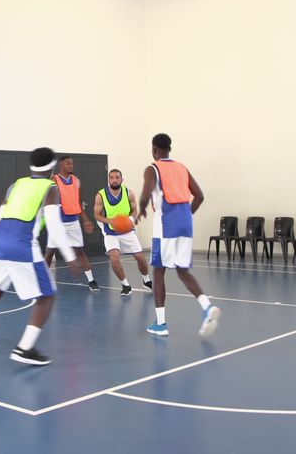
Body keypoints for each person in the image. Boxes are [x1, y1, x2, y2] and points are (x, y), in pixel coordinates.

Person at [0, 147, 77, 366]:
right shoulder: (50, 187)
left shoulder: (16, 184)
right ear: (51, 168)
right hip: (21, 246)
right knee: (46, 296)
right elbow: (55, 227)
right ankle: (25, 348)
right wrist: (70, 256)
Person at [136, 133, 220, 337]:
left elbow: (146, 194)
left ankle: (161, 324)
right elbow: (199, 196)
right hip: (185, 224)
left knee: (158, 271)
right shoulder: (182, 167)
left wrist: (141, 208)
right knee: (182, 271)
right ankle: (206, 306)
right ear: (169, 149)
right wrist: (186, 216)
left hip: (165, 225)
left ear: (154, 149)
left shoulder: (152, 168)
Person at [93, 169, 152, 297]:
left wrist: (131, 219)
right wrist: (110, 221)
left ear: (121, 179)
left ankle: (146, 281)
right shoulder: (101, 195)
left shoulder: (128, 193)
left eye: (117, 177)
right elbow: (96, 215)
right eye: (112, 178)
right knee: (114, 259)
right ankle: (125, 285)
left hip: (127, 231)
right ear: (108, 180)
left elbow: (134, 209)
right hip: (110, 232)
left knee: (140, 258)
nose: (114, 180)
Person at [43, 156, 98, 290]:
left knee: (79, 251)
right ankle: (42, 280)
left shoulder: (76, 180)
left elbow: (78, 202)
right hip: (58, 223)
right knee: (50, 252)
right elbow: (48, 202)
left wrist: (85, 219)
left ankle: (91, 280)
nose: (71, 166)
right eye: (68, 164)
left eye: (72, 163)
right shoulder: (53, 180)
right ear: (61, 165)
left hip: (73, 222)